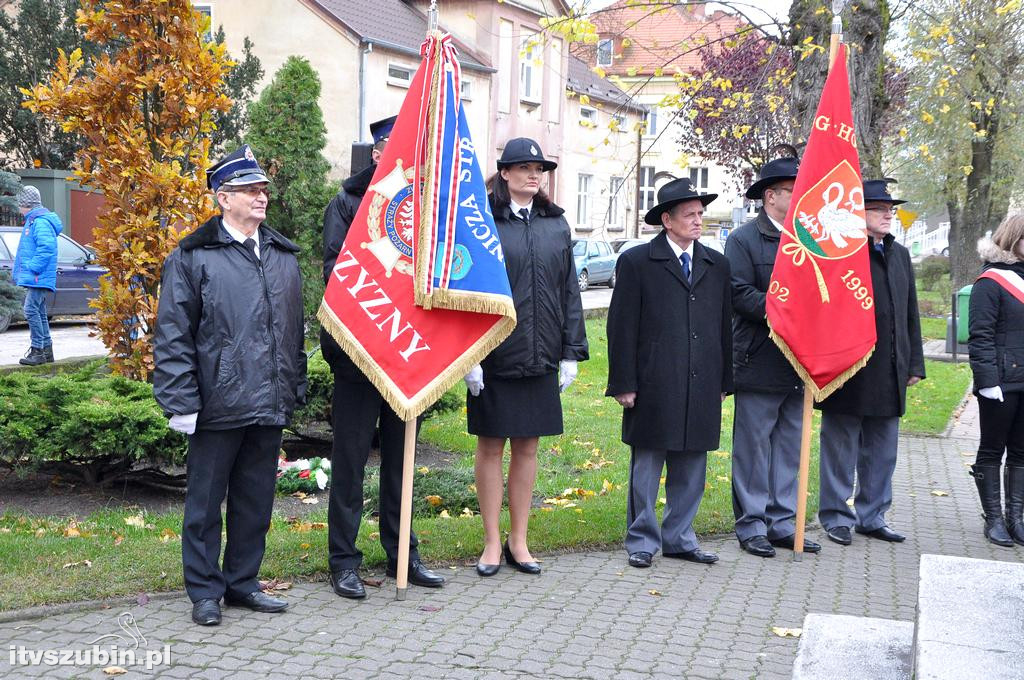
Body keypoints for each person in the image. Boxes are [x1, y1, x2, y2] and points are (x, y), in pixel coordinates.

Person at [153, 145, 308, 626]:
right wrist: (180, 400)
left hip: (269, 398)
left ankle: (242, 583)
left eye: (263, 188)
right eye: (249, 190)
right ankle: (204, 592)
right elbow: (174, 331)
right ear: (223, 197)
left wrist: (294, 385)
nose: (262, 197)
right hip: (216, 402)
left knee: (255, 498)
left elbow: (292, 328)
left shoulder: (282, 256)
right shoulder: (194, 256)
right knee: (204, 502)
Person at [321, 115, 447, 599]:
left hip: (408, 353)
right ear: (376, 155)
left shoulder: (426, 204)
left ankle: (403, 554)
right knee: (350, 462)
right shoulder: (347, 202)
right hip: (359, 353)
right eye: (387, 150)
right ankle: (343, 562)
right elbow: (336, 271)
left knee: (403, 462)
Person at [465, 137, 588, 577]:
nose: (535, 174)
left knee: (528, 447)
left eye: (540, 168)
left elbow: (568, 289)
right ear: (505, 173)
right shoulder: (483, 222)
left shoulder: (555, 224)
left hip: (541, 353)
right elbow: (469, 288)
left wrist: (571, 350)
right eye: (525, 167)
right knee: (491, 445)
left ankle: (520, 540)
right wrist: (470, 356)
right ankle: (492, 543)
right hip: (495, 354)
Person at [606, 177, 732, 569]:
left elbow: (723, 326)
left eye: (700, 214)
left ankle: (680, 536)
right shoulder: (637, 262)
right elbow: (621, 326)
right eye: (690, 214)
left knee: (693, 461)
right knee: (648, 462)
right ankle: (642, 539)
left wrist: (725, 380)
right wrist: (624, 382)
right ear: (667, 220)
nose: (698, 221)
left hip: (703, 378)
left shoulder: (716, 264)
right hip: (654, 378)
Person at [816, 179, 925, 546]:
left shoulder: (899, 254)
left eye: (889, 210)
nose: (887, 216)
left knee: (882, 449)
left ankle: (873, 515)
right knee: (840, 446)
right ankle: (835, 516)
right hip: (848, 367)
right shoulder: (840, 253)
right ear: (857, 213)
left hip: (890, 367)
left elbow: (910, 313)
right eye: (879, 209)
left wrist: (914, 364)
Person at [726, 157, 820, 558]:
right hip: (759, 357)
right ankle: (751, 524)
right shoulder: (744, 240)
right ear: (771, 196)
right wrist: (787, 308)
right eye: (793, 189)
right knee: (753, 448)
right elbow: (738, 293)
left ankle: (782, 522)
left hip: (800, 361)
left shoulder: (810, 238)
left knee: (788, 446)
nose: (801, 196)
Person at [968, 213, 1024, 547]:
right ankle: (994, 520)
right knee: (992, 450)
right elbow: (980, 336)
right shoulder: (991, 280)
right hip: (1001, 382)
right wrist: (987, 381)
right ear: (1014, 238)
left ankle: (1016, 519)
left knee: (1021, 452)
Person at [13, 185, 62, 366]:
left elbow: (46, 248)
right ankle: (46, 350)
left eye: (20, 203)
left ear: (27, 204)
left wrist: (32, 267)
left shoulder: (39, 222)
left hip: (38, 275)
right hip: (37, 275)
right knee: (39, 311)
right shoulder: (34, 220)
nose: (18, 207)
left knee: (30, 309)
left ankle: (37, 351)